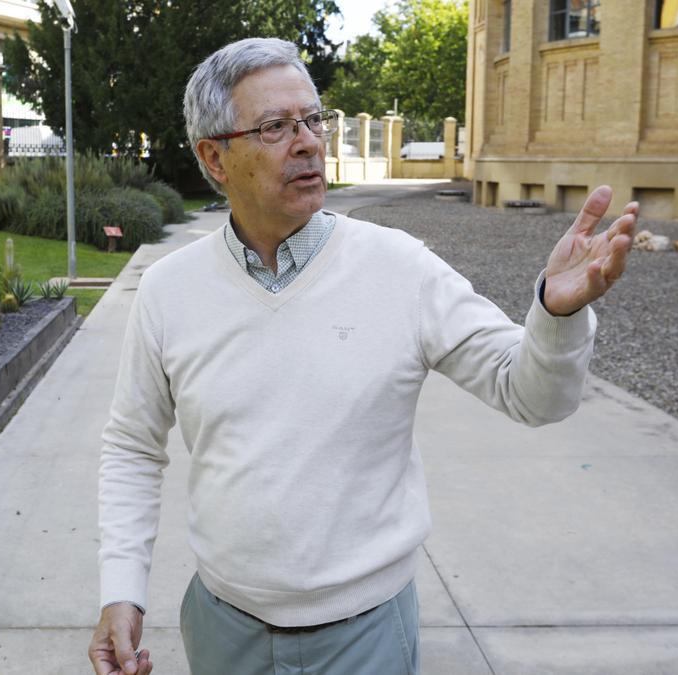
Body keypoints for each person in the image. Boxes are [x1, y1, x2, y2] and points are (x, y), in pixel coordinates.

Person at [89, 37, 638, 675]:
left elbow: (533, 395)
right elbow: (131, 445)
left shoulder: (398, 267)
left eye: (312, 120)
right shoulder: (168, 290)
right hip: (222, 630)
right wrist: (121, 588)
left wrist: (557, 314)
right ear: (215, 157)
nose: (308, 142)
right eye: (274, 127)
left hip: (366, 637)